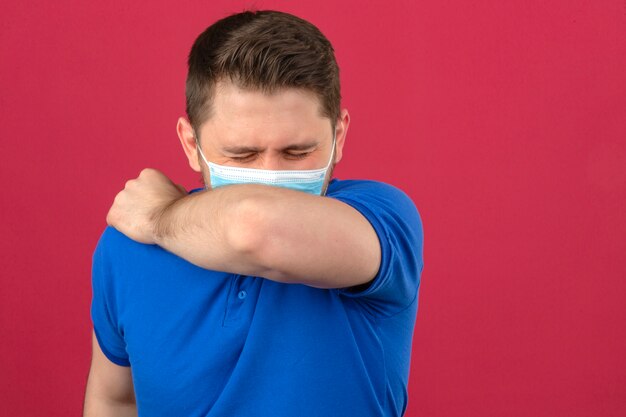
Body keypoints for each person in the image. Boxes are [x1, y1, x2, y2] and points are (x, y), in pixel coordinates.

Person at [83, 9, 424, 417]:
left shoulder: (382, 220)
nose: (269, 177)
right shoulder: (127, 247)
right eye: (242, 154)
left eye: (297, 152)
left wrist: (159, 217)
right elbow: (115, 398)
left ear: (339, 135)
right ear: (191, 144)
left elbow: (255, 226)